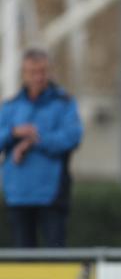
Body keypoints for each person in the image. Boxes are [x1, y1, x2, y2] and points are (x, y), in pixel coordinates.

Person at [0, 48, 82, 248]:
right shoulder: (11, 106)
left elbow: (71, 137)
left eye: (42, 71)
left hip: (51, 193)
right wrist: (14, 133)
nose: (38, 77)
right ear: (24, 74)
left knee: (54, 254)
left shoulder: (64, 103)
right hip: (18, 193)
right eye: (32, 72)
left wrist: (36, 138)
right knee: (24, 255)